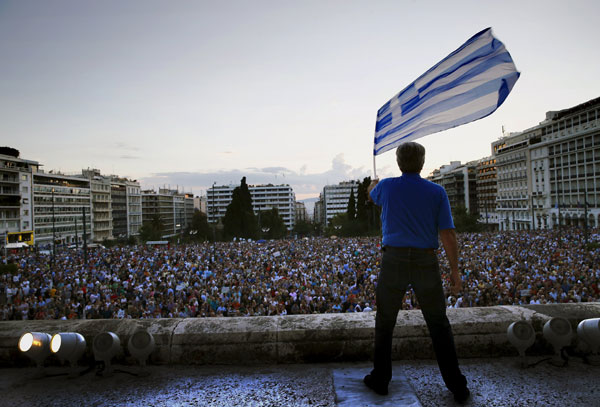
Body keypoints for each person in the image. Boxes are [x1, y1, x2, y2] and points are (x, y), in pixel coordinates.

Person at [364, 142, 470, 403]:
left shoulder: (386, 186)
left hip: (394, 260)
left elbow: (371, 196)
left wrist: (371, 185)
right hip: (425, 261)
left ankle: (380, 379)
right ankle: (456, 385)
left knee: (385, 323)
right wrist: (455, 271)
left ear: (399, 163)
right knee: (438, 325)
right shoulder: (437, 191)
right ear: (422, 163)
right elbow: (447, 233)